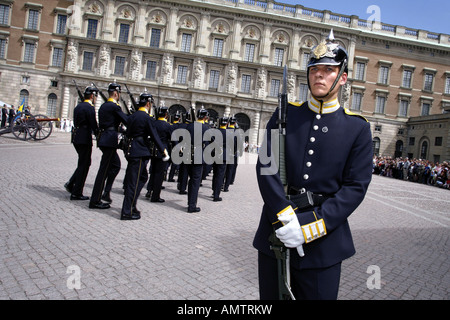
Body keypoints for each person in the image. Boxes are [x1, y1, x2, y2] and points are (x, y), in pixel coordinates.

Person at [253, 30, 373, 300]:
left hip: (324, 243)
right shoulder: (287, 114)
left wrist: (310, 226)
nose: (319, 75)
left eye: (328, 69)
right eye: (314, 69)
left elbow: (354, 188)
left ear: (342, 77)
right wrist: (284, 216)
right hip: (277, 231)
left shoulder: (357, 129)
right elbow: (267, 166)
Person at [120, 92, 168, 220]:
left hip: (131, 149)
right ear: (148, 104)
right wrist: (163, 150)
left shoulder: (132, 116)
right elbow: (154, 136)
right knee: (134, 181)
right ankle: (127, 211)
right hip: (139, 151)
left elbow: (127, 131)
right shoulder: (147, 118)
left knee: (142, 177)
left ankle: (132, 205)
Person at [89, 83, 128, 209]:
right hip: (110, 140)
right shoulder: (114, 107)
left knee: (115, 165)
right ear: (116, 93)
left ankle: (106, 191)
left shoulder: (104, 106)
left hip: (104, 138)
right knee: (103, 171)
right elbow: (126, 120)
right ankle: (95, 200)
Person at [65, 86, 99, 200]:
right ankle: (76, 192)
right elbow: (93, 124)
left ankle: (71, 183)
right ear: (92, 96)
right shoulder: (89, 108)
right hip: (85, 138)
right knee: (84, 165)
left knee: (83, 163)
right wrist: (99, 134)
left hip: (76, 136)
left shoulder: (78, 106)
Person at [186, 108, 210, 213]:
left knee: (191, 179)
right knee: (195, 181)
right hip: (199, 157)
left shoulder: (189, 126)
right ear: (205, 117)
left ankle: (189, 202)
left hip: (188, 155)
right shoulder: (206, 128)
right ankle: (191, 205)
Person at [147, 106, 173, 203]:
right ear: (166, 114)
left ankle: (149, 189)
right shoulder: (167, 126)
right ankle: (155, 195)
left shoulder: (154, 123)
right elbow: (172, 138)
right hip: (163, 151)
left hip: (153, 150)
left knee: (152, 171)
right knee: (159, 174)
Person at [211, 116, 229, 202]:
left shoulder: (215, 132)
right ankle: (216, 195)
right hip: (224, 155)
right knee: (220, 176)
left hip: (215, 154)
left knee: (215, 174)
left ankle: (213, 191)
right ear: (227, 123)